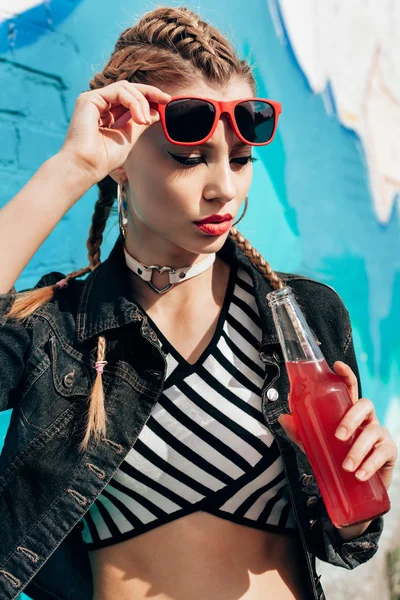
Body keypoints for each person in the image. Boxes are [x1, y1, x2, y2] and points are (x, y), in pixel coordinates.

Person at [0, 6, 397, 600]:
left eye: (240, 159)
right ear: (122, 161)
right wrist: (72, 167)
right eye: (189, 159)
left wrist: (360, 502)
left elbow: (343, 539)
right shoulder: (59, 329)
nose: (225, 188)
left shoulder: (305, 317)